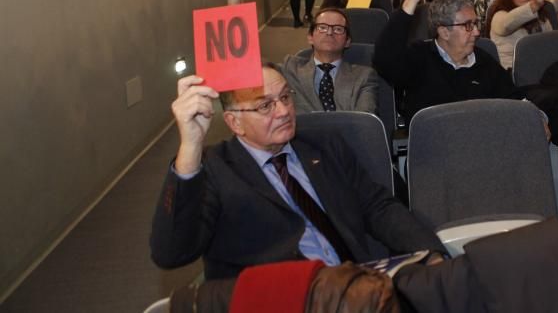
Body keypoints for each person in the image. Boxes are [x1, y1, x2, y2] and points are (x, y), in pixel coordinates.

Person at [150, 65, 446, 279]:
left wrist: (431, 252)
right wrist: (190, 147)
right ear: (234, 122)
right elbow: (171, 253)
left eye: (285, 97)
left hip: (359, 283)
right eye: (265, 105)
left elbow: (378, 206)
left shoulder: (323, 146)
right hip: (284, 297)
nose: (283, 111)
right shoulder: (215, 169)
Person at [374, 0, 521, 123]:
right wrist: (410, 1)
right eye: (468, 25)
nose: (477, 32)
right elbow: (384, 61)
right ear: (444, 31)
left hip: (482, 141)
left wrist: (535, 117)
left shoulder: (484, 60)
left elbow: (513, 100)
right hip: (436, 143)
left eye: (476, 24)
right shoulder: (419, 58)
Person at [282, 7, 379, 114]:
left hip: (347, 131)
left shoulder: (364, 76)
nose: (329, 32)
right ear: (310, 37)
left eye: (338, 29)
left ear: (347, 41)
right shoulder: (291, 68)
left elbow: (364, 121)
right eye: (322, 27)